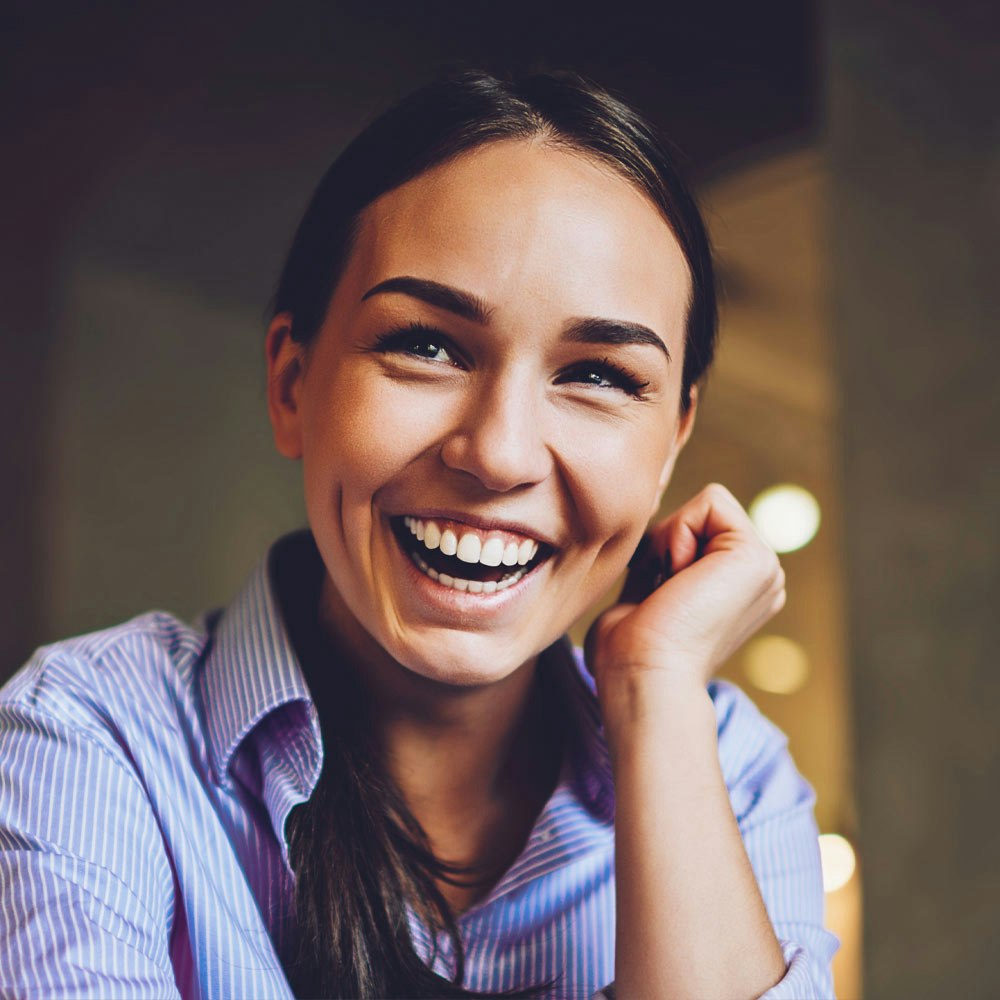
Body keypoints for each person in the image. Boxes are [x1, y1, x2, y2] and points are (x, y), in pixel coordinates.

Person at [0, 71, 839, 998]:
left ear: (674, 437)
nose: (500, 453)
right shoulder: (93, 736)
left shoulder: (729, 770)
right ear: (292, 385)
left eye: (599, 373)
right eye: (427, 346)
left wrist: (653, 692)